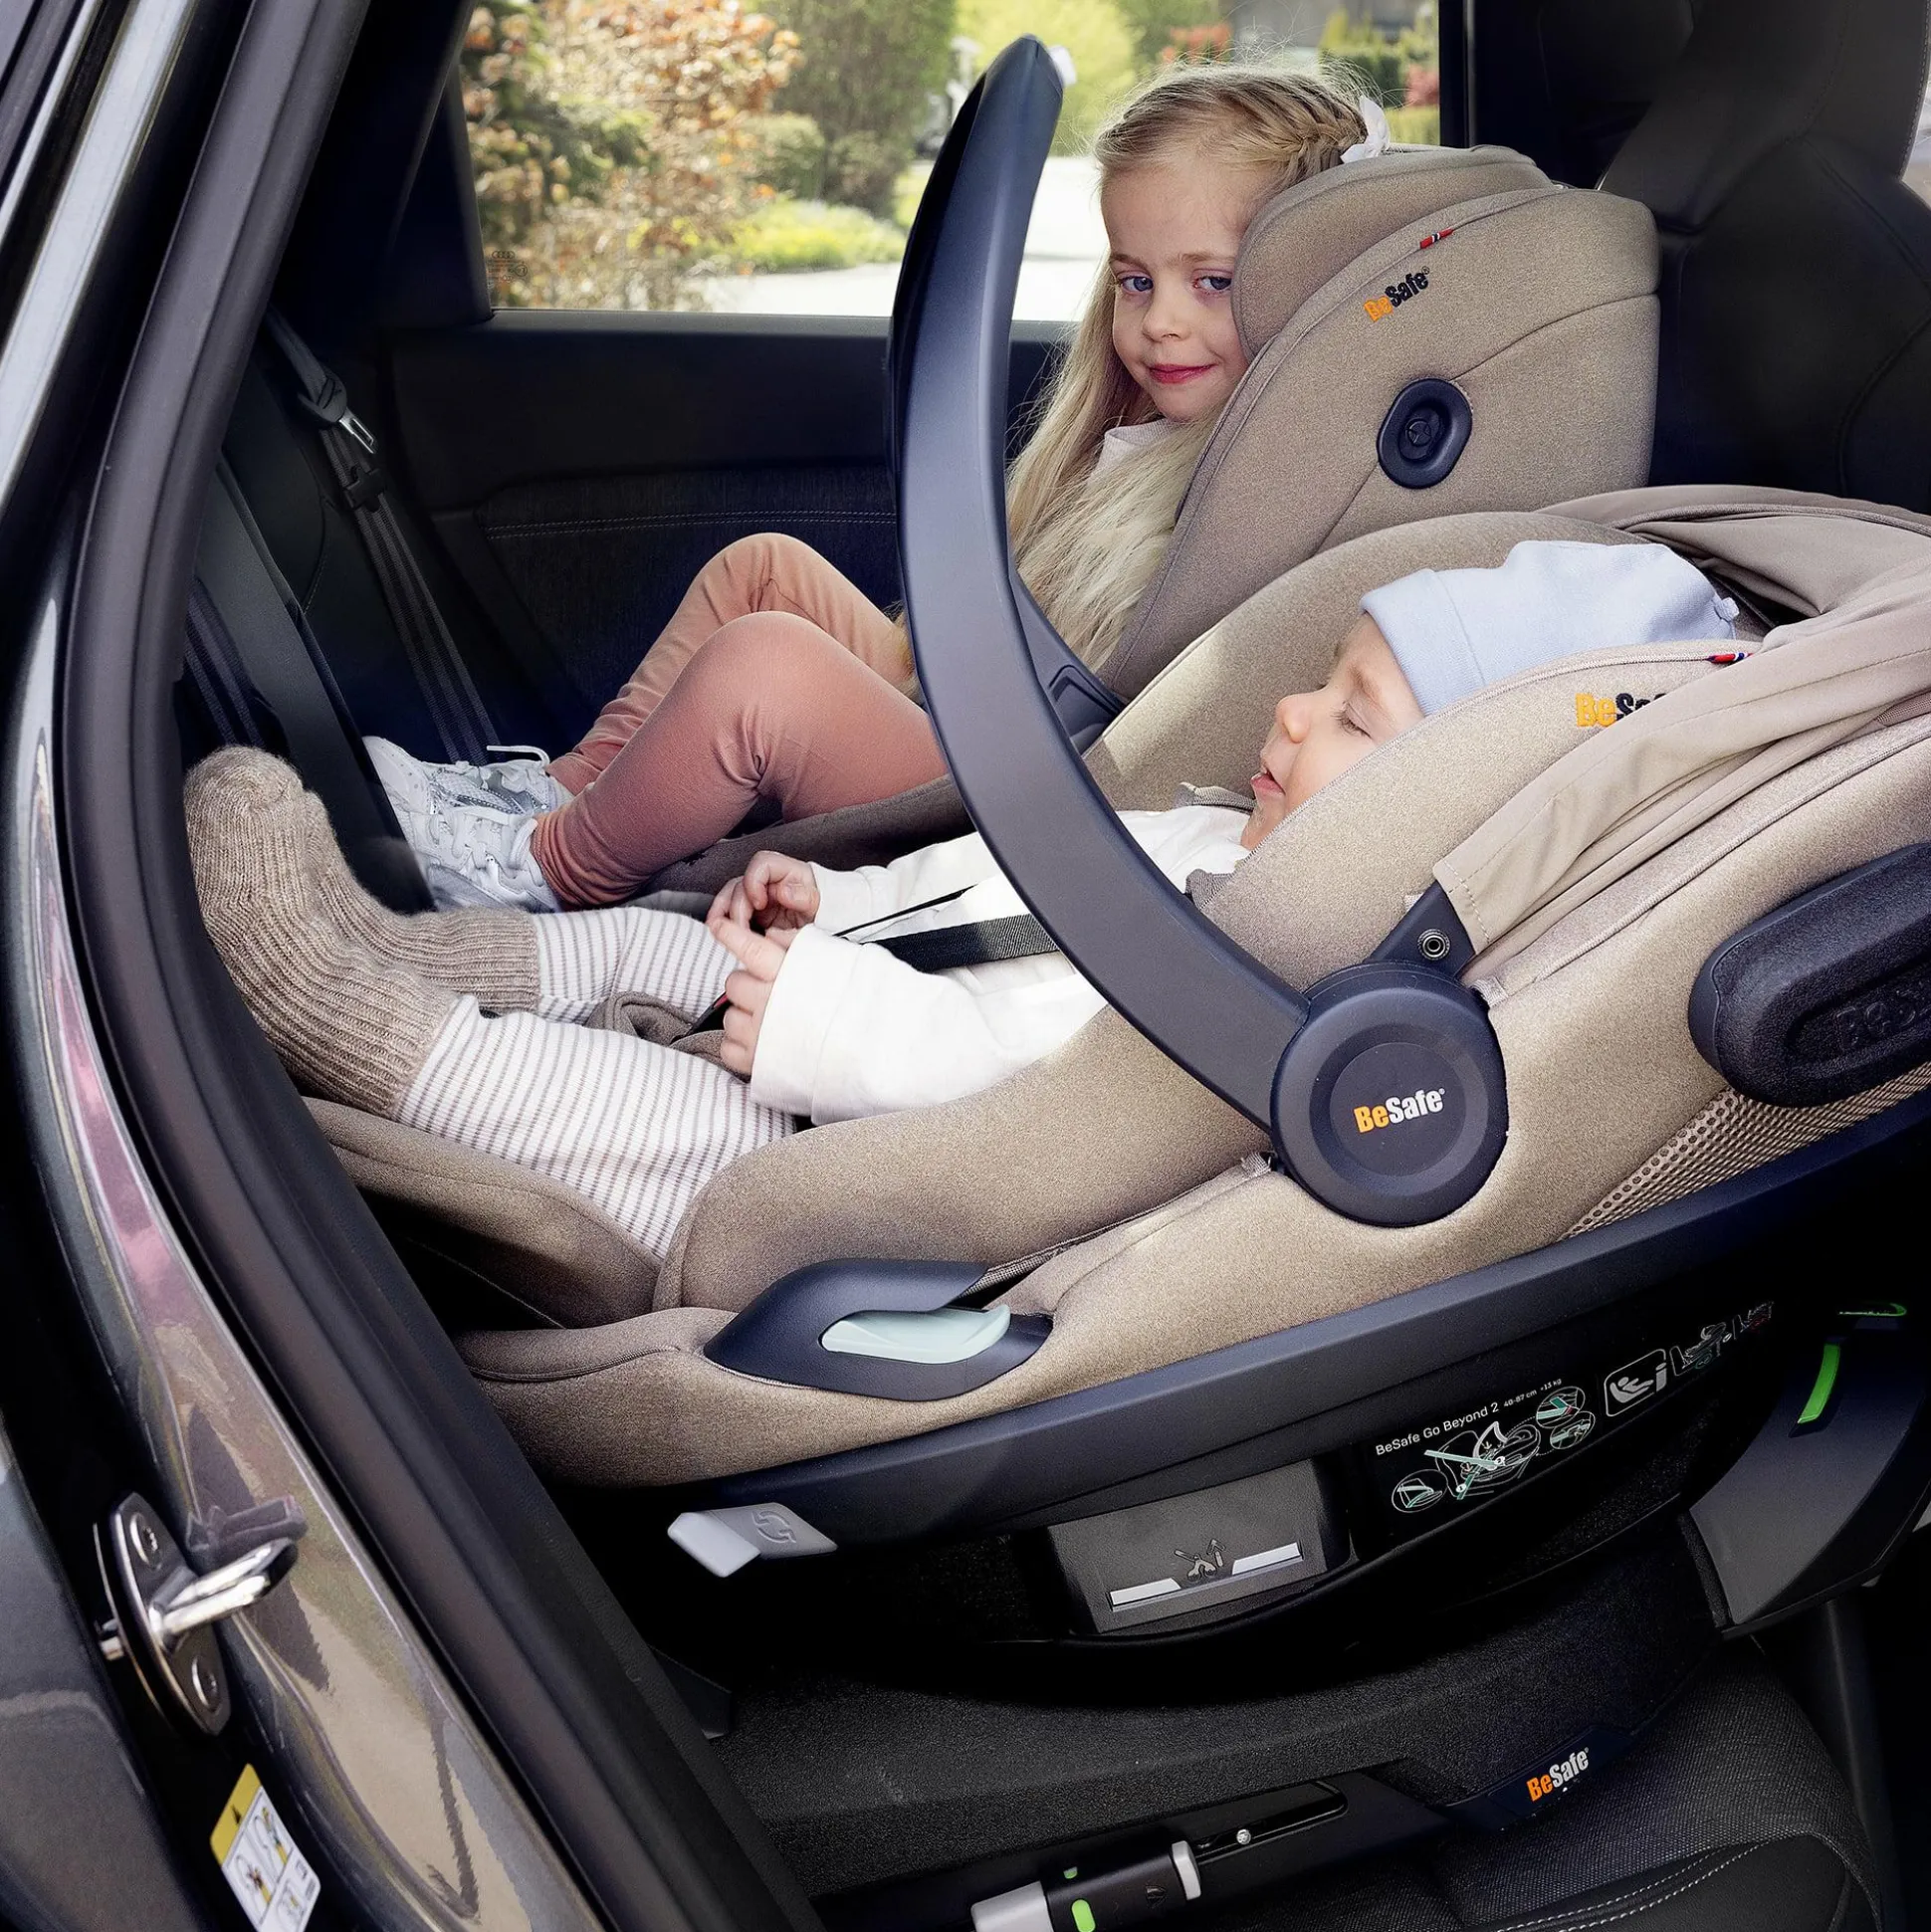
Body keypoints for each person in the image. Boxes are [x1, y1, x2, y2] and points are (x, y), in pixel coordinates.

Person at [187, 542, 1737, 1262]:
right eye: (1320, 680)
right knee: (655, 942)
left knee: (634, 1111)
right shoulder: (1224, 836)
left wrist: (828, 1018)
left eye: (1349, 716)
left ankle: (349, 1016)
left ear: (1442, 805)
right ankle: (403, 946)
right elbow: (1002, 885)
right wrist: (836, 903)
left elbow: (1052, 1108)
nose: (1286, 713)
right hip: (843, 1014)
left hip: (840, 1167)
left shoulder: (1285, 981)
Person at [363, 67, 1380, 913]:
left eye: (1211, 282)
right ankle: (554, 796)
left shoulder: (1258, 491)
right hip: (985, 729)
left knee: (764, 668)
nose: (1159, 322)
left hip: (1015, 803)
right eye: (1134, 280)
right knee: (761, 570)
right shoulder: (1144, 439)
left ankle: (548, 873)